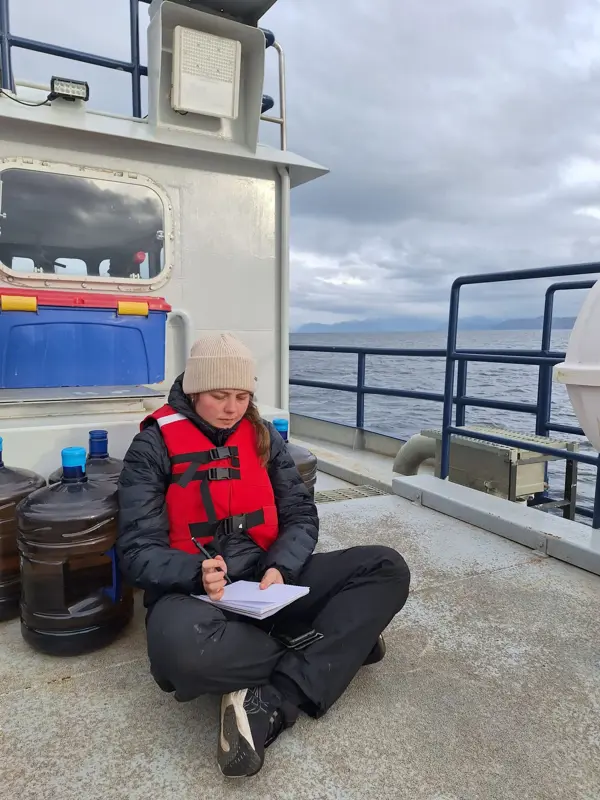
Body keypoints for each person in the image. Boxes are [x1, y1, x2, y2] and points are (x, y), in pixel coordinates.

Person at [117, 333, 411, 778]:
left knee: (386, 567)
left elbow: (300, 513)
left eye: (242, 396)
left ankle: (272, 699)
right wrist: (195, 574)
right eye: (219, 396)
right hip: (195, 597)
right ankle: (332, 644)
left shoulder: (263, 436)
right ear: (194, 389)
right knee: (182, 658)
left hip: (269, 579)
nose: (232, 407)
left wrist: (282, 566)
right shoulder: (152, 447)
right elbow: (136, 550)